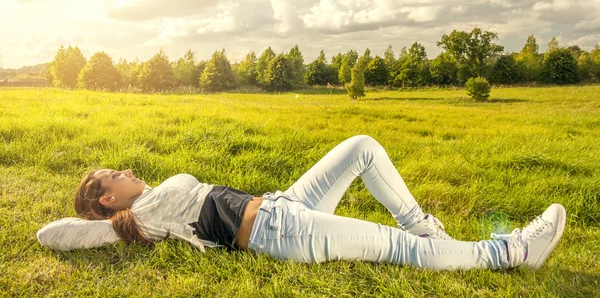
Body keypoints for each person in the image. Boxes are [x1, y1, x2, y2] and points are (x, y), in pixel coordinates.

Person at [37, 135, 566, 271]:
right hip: (283, 234)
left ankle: (426, 226)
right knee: (401, 251)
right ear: (109, 198)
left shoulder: (151, 198)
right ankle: (512, 253)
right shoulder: (138, 218)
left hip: (284, 205)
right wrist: (102, 219)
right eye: (116, 176)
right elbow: (54, 234)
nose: (127, 170)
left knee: (362, 148)